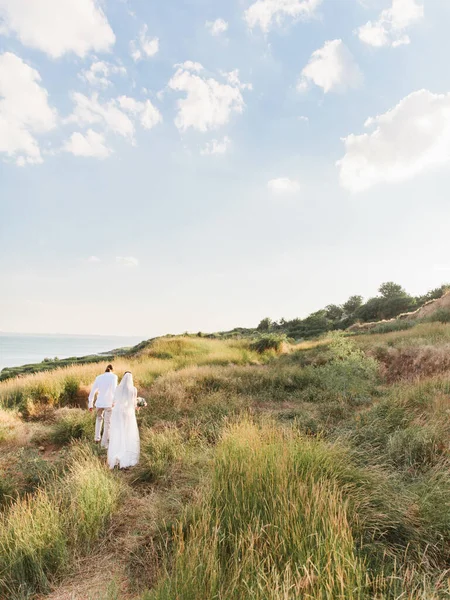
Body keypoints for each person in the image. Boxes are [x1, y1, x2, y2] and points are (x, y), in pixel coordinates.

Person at [108, 371, 140, 470]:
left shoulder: (118, 388)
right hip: (128, 414)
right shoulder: (133, 390)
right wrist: (140, 405)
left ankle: (117, 454)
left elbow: (113, 402)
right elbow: (134, 405)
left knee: (118, 432)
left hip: (117, 413)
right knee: (128, 433)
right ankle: (127, 455)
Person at [88, 364, 118, 448]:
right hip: (109, 403)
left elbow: (93, 391)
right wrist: (114, 401)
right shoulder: (114, 377)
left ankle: (97, 438)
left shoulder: (98, 377)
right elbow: (114, 390)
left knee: (98, 419)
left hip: (99, 403)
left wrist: (90, 404)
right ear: (112, 370)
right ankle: (104, 444)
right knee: (107, 423)